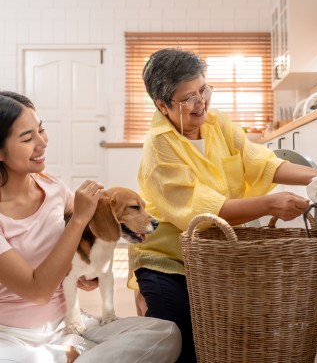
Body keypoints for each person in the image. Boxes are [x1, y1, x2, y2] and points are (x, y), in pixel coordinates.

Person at [127, 48, 317, 362]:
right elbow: (204, 215)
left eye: (204, 90)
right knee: (177, 342)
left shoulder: (219, 124)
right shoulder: (159, 147)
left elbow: (263, 163)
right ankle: (149, 291)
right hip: (169, 257)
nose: (201, 102)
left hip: (215, 256)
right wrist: (270, 204)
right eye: (188, 97)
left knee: (231, 334)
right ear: (162, 105)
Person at [0, 91, 182, 363]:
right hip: (13, 337)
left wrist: (92, 272)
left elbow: (101, 226)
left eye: (41, 130)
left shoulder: (52, 188)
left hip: (68, 324)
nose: (42, 143)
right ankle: (67, 356)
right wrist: (79, 220)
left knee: (166, 333)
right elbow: (38, 291)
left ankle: (67, 353)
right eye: (27, 138)